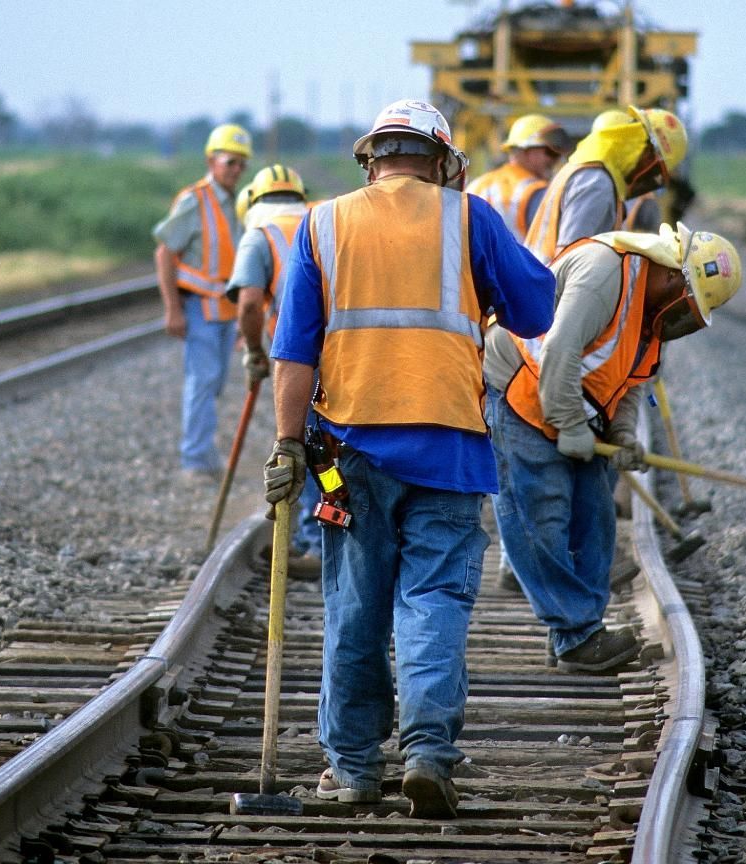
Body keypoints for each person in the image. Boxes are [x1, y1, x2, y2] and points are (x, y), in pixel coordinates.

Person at [264, 99, 554, 818]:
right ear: (441, 160)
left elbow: (293, 352)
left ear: (374, 158)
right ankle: (427, 754)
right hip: (451, 446)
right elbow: (539, 313)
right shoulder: (470, 217)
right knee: (433, 599)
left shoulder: (323, 222)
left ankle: (355, 771)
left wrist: (287, 444)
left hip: (347, 451)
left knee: (356, 604)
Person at [485, 222, 741, 673]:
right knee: (538, 516)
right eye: (691, 303)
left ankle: (575, 632)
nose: (687, 317)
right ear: (674, 276)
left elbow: (633, 382)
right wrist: (569, 424)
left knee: (595, 517)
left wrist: (620, 436)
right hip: (520, 393)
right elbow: (559, 350)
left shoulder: (654, 310)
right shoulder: (606, 271)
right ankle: (576, 634)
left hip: (575, 407)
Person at [224, 164, 322, 574]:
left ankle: (315, 543)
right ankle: (324, 534)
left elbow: (248, 303)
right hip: (349, 346)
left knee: (302, 446)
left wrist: (255, 351)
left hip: (300, 355)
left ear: (252, 201)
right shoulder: (325, 219)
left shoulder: (259, 235)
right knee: (334, 444)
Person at [152, 123, 251, 476]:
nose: (236, 170)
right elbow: (165, 254)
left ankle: (204, 455)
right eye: (230, 162)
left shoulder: (238, 204)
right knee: (203, 381)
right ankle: (195, 461)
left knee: (216, 382)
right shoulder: (194, 200)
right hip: (198, 309)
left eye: (242, 164)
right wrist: (172, 309)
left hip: (225, 310)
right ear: (211, 161)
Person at [524, 105, 687, 263]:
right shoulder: (597, 183)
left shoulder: (587, 172)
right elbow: (569, 258)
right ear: (646, 153)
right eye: (655, 169)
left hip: (540, 283)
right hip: (549, 288)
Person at [465, 114, 568, 241]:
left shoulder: (477, 184)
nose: (556, 159)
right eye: (550, 152)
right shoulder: (535, 191)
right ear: (526, 150)